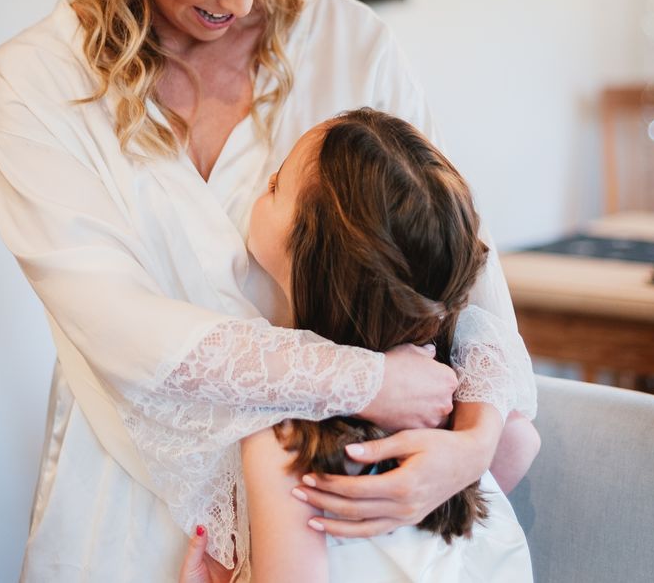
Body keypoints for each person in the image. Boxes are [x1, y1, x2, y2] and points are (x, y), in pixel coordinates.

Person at [0, 0, 536, 580]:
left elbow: (465, 275)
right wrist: (364, 380)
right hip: (126, 495)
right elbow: (118, 326)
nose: (239, 2)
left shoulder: (353, 44)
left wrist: (475, 444)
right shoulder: (33, 84)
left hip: (336, 500)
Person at [179, 109, 534, 582]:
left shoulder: (283, 441)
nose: (265, 181)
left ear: (310, 264)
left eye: (276, 185)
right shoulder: (453, 405)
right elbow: (523, 444)